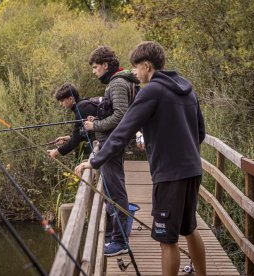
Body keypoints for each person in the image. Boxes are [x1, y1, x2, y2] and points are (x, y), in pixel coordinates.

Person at [75, 41, 206, 275]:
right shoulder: (187, 89)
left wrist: (94, 161)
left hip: (169, 175)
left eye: (136, 67)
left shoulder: (151, 91)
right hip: (193, 169)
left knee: (167, 239)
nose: (134, 72)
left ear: (147, 65)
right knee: (189, 228)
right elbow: (200, 133)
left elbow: (122, 131)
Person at [84, 45, 139, 257]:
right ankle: (115, 235)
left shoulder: (116, 83)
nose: (94, 71)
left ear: (105, 65)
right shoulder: (118, 82)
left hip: (112, 145)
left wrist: (94, 126)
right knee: (114, 190)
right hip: (112, 143)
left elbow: (121, 116)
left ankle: (119, 241)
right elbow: (114, 113)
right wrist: (97, 119)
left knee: (115, 192)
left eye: (96, 67)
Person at [48, 83, 97, 160]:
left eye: (62, 101)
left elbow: (75, 141)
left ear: (71, 99)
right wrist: (67, 138)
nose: (60, 104)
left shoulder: (81, 109)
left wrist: (56, 152)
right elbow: (81, 134)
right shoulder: (83, 105)